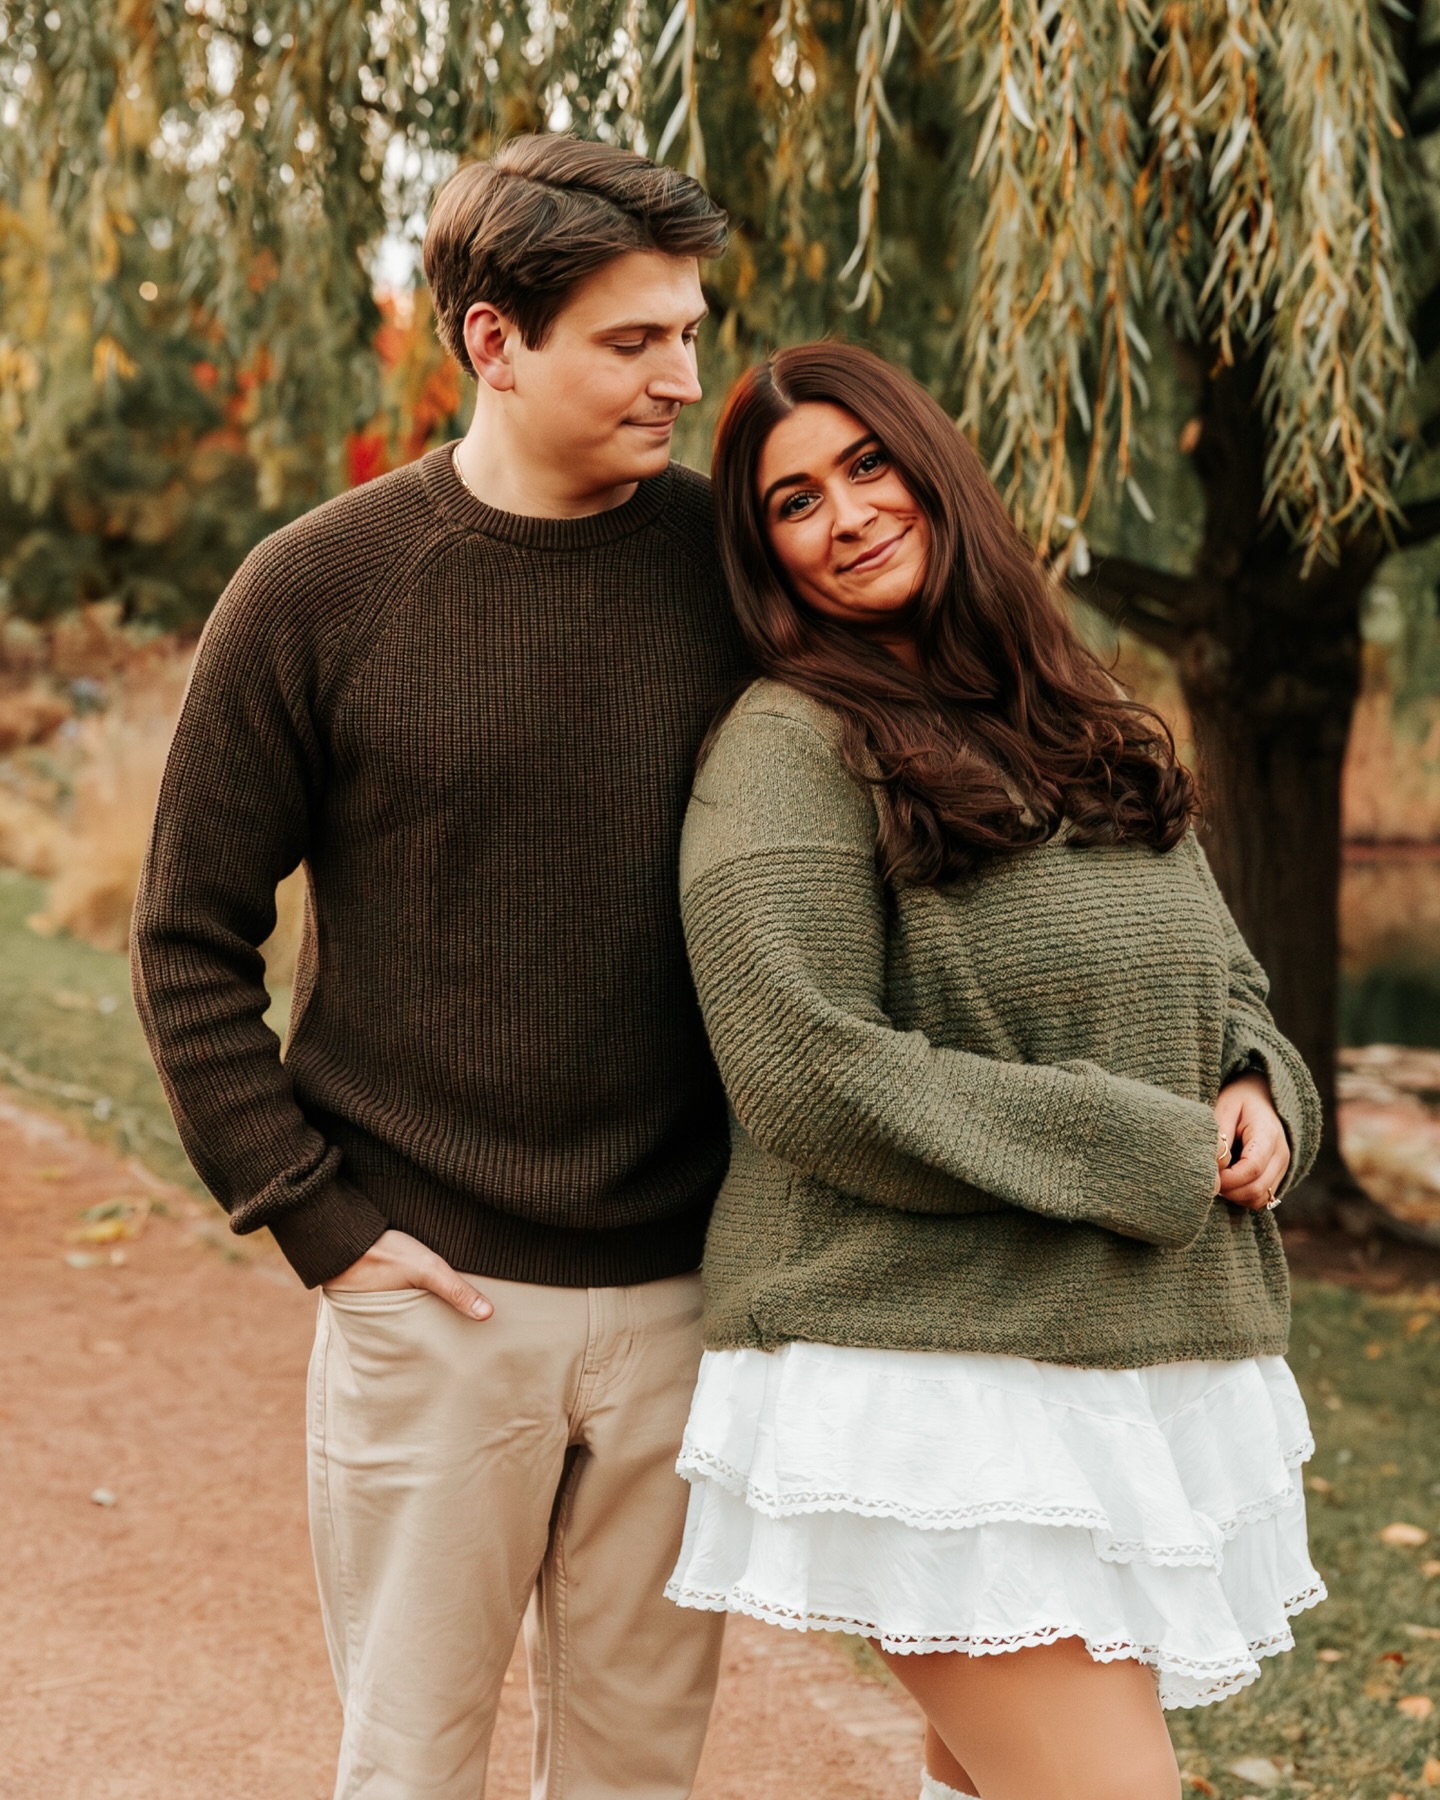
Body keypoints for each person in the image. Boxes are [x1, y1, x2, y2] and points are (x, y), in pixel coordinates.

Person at [131, 135, 748, 1800]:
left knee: (641, 1776)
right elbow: (187, 939)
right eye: (635, 342)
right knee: (411, 1770)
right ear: (494, 340)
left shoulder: (736, 578)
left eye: (692, 332)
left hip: (696, 1297)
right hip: (435, 1297)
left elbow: (960, 788)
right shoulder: (314, 590)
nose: (685, 379)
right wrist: (316, 1221)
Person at [664, 342, 1325, 1800]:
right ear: (765, 553)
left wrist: (1261, 1089)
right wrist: (1148, 1149)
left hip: (1113, 1355)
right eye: (792, 501)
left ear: (930, 466)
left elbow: (1223, 978)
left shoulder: (1072, 708)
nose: (844, 513)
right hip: (923, 1375)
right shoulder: (785, 747)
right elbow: (802, 1066)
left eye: (866, 465)